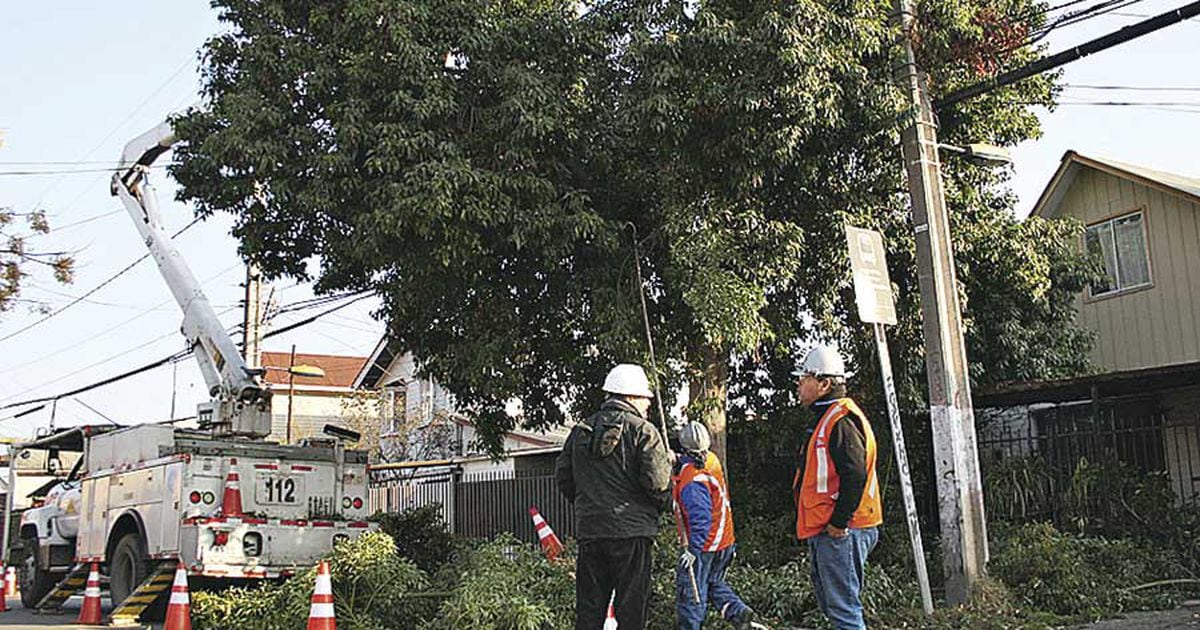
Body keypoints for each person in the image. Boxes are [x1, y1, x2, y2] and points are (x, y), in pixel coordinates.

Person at [555, 363, 672, 630]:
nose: (648, 406)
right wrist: (665, 504)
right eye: (646, 400)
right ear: (632, 397)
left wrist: (590, 504)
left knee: (589, 610)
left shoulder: (580, 431)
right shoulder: (643, 431)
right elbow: (658, 484)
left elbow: (563, 477)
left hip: (591, 532)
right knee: (631, 611)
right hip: (632, 534)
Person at [792, 346, 882, 630]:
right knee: (837, 607)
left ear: (824, 384)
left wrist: (838, 523)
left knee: (843, 611)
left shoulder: (839, 421)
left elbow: (854, 475)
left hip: (843, 530)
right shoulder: (830, 418)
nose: (798, 384)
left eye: (804, 378)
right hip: (835, 529)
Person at [672, 421, 758, 630]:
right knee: (712, 583)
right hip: (724, 541)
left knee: (691, 592)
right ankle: (738, 613)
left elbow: (700, 517)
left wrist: (693, 550)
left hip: (705, 545)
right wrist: (677, 461)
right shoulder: (711, 460)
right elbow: (690, 462)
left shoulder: (692, 481)